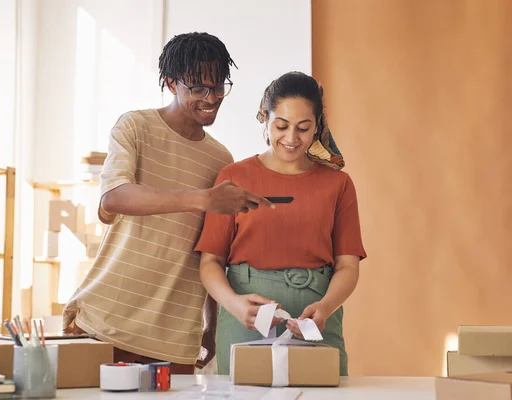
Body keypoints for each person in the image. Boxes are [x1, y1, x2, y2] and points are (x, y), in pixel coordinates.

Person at [62, 32, 273, 374]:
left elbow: (211, 253)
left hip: (175, 339)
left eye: (218, 86)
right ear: (171, 84)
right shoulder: (135, 126)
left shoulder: (220, 158)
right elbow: (115, 196)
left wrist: (211, 326)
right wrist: (203, 199)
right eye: (198, 88)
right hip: (108, 322)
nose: (211, 97)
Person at [194, 71, 367, 376]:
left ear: (317, 127)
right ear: (265, 118)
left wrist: (325, 308)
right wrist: (234, 306)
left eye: (303, 128)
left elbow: (348, 267)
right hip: (244, 320)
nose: (291, 138)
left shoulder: (338, 185)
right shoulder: (233, 178)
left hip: (316, 321)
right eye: (281, 125)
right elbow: (210, 262)